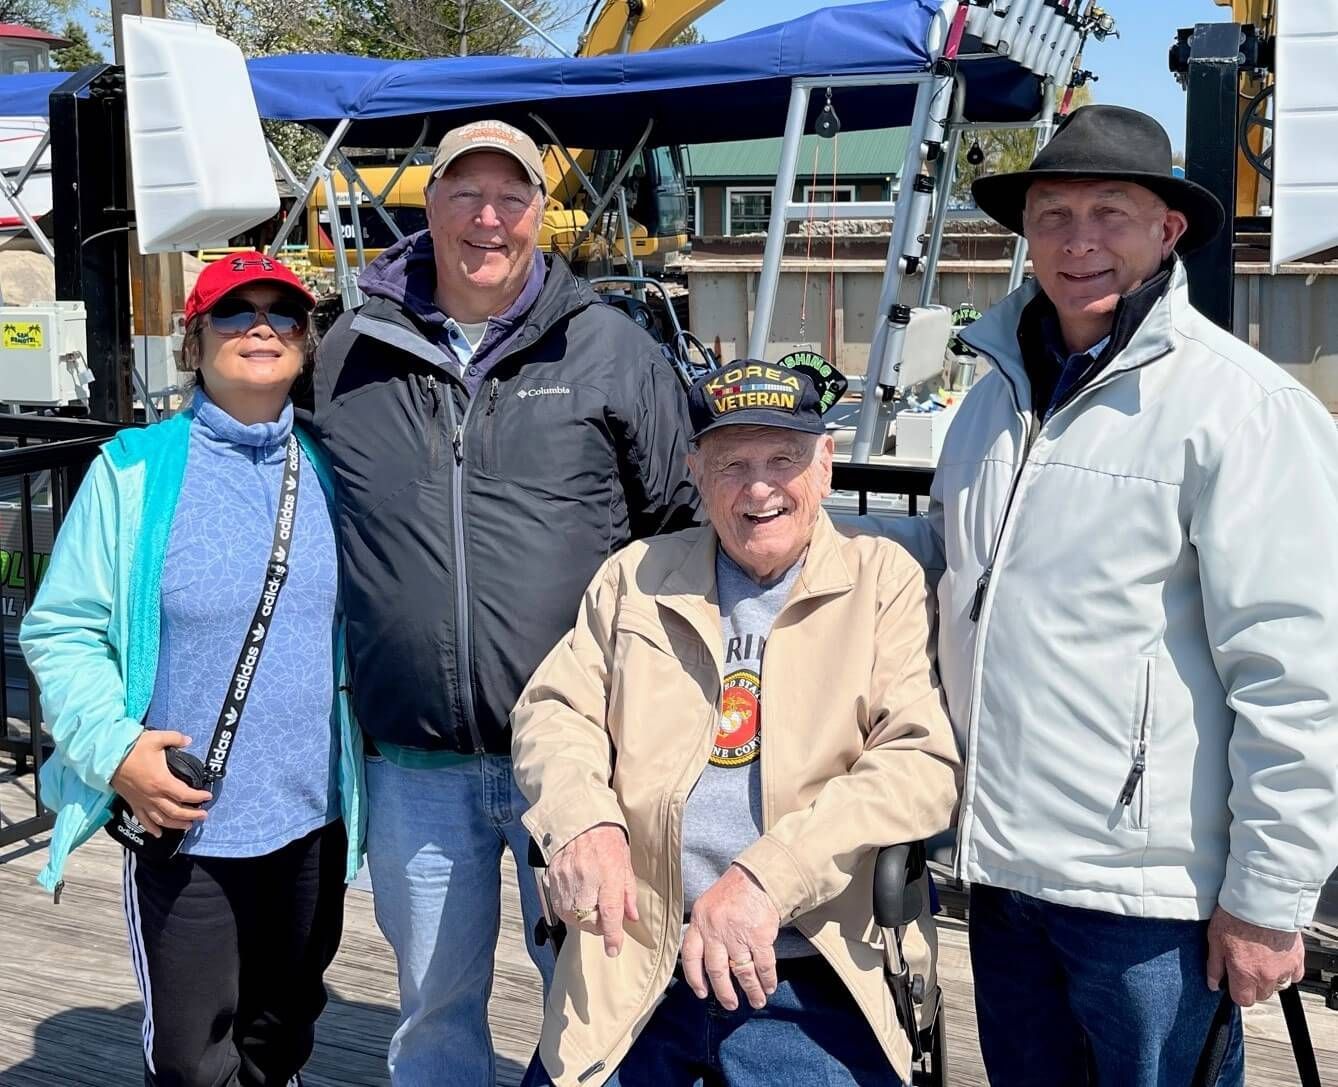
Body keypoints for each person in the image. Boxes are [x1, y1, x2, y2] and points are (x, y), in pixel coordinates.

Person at [889, 104, 1338, 1085]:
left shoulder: (1244, 409)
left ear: (1167, 231)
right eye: (1053, 214)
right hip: (1002, 874)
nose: (1078, 241)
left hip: (1148, 899)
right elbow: (955, 564)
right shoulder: (990, 398)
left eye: (1109, 213)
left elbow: (1298, 671)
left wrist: (1269, 893)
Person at [307, 119, 698, 1085]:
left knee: (599, 1006)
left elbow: (685, 523)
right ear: (428, 207)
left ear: (540, 212)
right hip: (415, 763)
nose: (489, 218)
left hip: (576, 761)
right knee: (432, 1012)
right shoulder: (350, 348)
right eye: (464, 195)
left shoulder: (610, 346)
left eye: (512, 196)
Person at [510, 360, 961, 1087]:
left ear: (825, 462)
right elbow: (553, 709)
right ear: (695, 469)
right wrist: (583, 819)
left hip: (811, 969)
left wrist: (764, 877)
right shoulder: (636, 575)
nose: (758, 488)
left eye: (783, 458)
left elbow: (919, 764)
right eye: (732, 463)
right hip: (641, 955)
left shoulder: (883, 580)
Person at [21, 253, 365, 1086]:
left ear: (305, 343)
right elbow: (61, 628)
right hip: (186, 823)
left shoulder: (331, 469)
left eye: (283, 314)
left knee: (281, 1034)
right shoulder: (132, 469)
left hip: (311, 815)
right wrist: (115, 751)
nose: (261, 327)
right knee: (189, 1056)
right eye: (233, 312)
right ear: (193, 341)